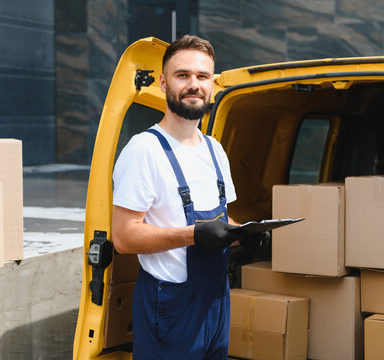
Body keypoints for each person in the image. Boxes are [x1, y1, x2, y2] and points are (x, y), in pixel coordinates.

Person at [112, 35, 244, 359]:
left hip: (216, 302)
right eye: (182, 75)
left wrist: (245, 234)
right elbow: (124, 237)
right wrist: (193, 235)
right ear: (162, 83)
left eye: (202, 76)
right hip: (169, 311)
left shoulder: (215, 150)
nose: (193, 84)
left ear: (212, 84)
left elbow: (220, 222)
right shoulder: (144, 150)